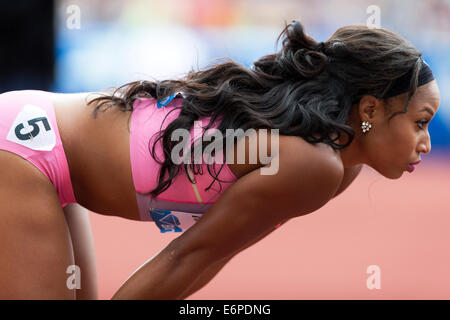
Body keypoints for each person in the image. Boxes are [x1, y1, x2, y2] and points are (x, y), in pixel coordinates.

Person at [0, 20, 440, 299]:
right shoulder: (315, 164)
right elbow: (187, 256)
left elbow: (207, 256)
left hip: (40, 145)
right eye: (420, 123)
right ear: (369, 111)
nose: (426, 143)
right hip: (27, 150)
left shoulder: (337, 167)